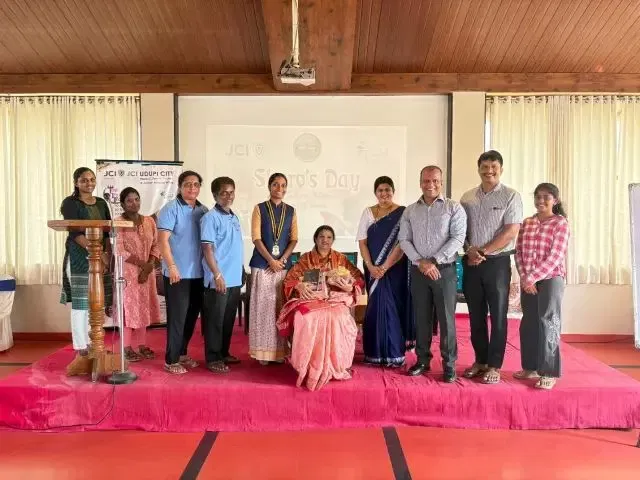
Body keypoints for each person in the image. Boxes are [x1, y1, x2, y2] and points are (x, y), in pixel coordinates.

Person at [460, 150, 523, 384]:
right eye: (484, 167)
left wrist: (483, 251)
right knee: (475, 315)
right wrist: (470, 250)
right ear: (478, 169)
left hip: (496, 263)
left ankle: (494, 366)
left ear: (501, 169)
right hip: (471, 262)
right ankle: (480, 361)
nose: (489, 171)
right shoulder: (467, 197)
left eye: (494, 167)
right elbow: (460, 230)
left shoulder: (511, 196)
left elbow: (511, 231)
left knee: (497, 315)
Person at [399, 166, 466, 383]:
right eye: (426, 181)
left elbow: (458, 238)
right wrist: (421, 262)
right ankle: (422, 360)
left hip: (444, 271)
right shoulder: (410, 211)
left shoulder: (453, 208)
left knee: (447, 320)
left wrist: (434, 261)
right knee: (422, 318)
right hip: (419, 271)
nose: (431, 185)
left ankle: (449, 365)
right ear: (420, 183)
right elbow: (404, 239)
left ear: (441, 182)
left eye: (435, 180)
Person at [276, 225, 364, 391]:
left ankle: (336, 364)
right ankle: (307, 365)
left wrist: (349, 287)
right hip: (311, 300)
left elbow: (358, 279)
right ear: (315, 239)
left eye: (329, 237)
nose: (325, 240)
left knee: (340, 317)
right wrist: (300, 285)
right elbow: (289, 280)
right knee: (306, 318)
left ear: (333, 240)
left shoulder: (341, 259)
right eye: (322, 236)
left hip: (335, 300)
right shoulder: (305, 259)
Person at [514, 183, 569, 390]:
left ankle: (549, 372)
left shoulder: (560, 223)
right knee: (529, 323)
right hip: (528, 280)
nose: (541, 201)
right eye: (538, 196)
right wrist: (525, 277)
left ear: (555, 200)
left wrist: (533, 277)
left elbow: (556, 256)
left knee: (548, 322)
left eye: (546, 197)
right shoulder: (527, 223)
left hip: (551, 279)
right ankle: (530, 367)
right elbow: (518, 252)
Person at [357, 176, 413, 367]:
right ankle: (374, 353)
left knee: (393, 307)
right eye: (380, 190)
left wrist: (385, 266)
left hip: (394, 269)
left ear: (393, 191)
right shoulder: (368, 212)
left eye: (387, 189)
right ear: (375, 193)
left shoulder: (402, 213)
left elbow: (402, 243)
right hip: (373, 269)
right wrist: (371, 267)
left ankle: (394, 353)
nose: (384, 193)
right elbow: (362, 243)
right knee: (375, 307)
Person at [157, 170, 208, 374]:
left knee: (191, 317)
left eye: (196, 184)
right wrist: (171, 266)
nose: (192, 188)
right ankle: (171, 360)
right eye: (187, 184)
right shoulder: (170, 209)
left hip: (199, 273)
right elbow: (162, 241)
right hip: (177, 273)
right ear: (180, 187)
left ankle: (182, 353)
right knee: (177, 318)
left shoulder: (203, 210)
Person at [59, 167, 112, 361]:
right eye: (84, 180)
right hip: (79, 258)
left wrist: (106, 255)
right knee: (81, 303)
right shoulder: (70, 203)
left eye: (92, 179)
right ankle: (82, 346)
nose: (89, 183)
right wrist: (97, 253)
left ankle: (95, 343)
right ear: (76, 183)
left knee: (96, 304)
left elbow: (107, 231)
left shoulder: (101, 203)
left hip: (100, 258)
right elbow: (74, 232)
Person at [248, 173, 298, 365]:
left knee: (280, 308)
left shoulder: (291, 211)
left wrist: (281, 260)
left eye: (283, 185)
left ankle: (279, 351)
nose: (280, 188)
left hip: (282, 267)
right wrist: (271, 260)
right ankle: (263, 353)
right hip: (263, 265)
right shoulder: (259, 208)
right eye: (276, 184)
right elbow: (256, 238)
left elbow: (293, 239)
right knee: (263, 308)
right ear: (269, 187)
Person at [200, 177, 244, 373]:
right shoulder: (210, 218)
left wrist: (240, 270)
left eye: (231, 192)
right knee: (215, 321)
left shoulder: (234, 217)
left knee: (227, 320)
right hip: (218, 279)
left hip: (234, 279)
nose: (228, 196)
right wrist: (217, 275)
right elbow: (207, 249)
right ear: (215, 195)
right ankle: (213, 358)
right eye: (224, 193)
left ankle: (224, 352)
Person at [116, 187, 161, 362]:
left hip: (147, 273)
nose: (134, 203)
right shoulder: (118, 222)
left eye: (136, 199)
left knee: (143, 308)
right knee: (128, 310)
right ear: (122, 204)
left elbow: (156, 245)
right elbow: (119, 250)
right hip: (128, 274)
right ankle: (126, 347)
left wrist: (149, 267)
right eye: (129, 200)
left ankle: (142, 345)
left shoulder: (149, 221)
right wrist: (143, 266)